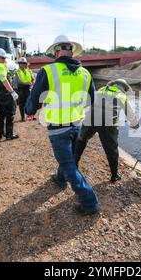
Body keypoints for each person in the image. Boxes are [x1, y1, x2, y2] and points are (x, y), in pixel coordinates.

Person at [25, 35, 99, 216]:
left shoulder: (49, 71)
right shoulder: (85, 73)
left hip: (58, 127)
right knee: (70, 158)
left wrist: (29, 111)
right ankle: (60, 179)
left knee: (69, 164)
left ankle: (89, 202)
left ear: (56, 52)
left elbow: (35, 98)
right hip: (77, 123)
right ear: (72, 52)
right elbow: (92, 99)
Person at [74, 79, 137, 183]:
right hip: (107, 123)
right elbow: (130, 115)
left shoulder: (101, 90)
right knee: (111, 149)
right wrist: (135, 125)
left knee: (82, 139)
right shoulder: (122, 96)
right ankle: (114, 175)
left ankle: (74, 164)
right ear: (124, 88)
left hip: (91, 118)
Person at [0, 48, 19, 140]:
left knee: (1, 114)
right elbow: (4, 80)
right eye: (2, 57)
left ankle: (1, 134)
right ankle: (9, 134)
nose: (4, 59)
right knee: (10, 114)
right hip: (5, 93)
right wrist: (12, 91)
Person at [14, 57, 34, 122]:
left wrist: (32, 80)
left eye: (24, 63)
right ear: (19, 64)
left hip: (28, 89)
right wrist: (27, 83)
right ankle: (22, 117)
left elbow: (32, 78)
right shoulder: (17, 72)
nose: (22, 64)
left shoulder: (29, 71)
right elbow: (18, 81)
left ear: (26, 64)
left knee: (29, 103)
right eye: (21, 63)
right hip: (21, 89)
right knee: (21, 104)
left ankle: (29, 116)